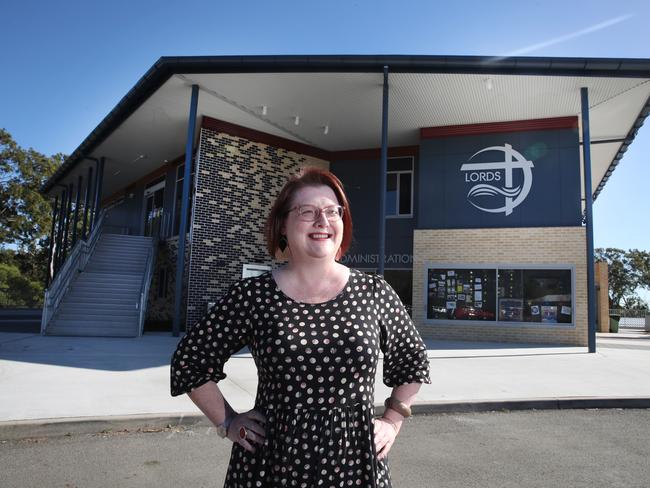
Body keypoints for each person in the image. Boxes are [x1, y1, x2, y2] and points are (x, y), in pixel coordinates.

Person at [170, 167, 431, 487]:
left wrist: (392, 420)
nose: (322, 221)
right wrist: (227, 421)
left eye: (332, 211)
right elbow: (190, 361)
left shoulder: (373, 292)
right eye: (308, 211)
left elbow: (413, 357)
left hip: (354, 466)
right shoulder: (253, 296)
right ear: (283, 225)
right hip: (271, 466)